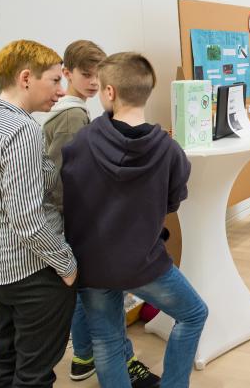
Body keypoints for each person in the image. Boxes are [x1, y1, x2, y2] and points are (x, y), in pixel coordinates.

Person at [61, 52, 208, 388]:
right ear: (147, 92)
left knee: (108, 341)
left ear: (109, 92)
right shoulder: (170, 151)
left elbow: (67, 197)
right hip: (144, 263)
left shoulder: (81, 143)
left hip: (92, 264)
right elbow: (173, 201)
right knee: (194, 313)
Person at [40, 40, 159, 386]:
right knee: (101, 293)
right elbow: (71, 176)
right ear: (66, 73)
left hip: (77, 220)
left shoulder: (75, 111)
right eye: (85, 74)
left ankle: (82, 356)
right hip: (80, 221)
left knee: (88, 290)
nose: (93, 82)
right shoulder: (72, 115)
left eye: (97, 75)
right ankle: (113, 359)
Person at [0, 40, 77, 387]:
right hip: (33, 271)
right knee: (34, 372)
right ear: (25, 79)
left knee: (7, 358)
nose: (61, 91)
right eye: (54, 81)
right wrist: (66, 263)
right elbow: (27, 219)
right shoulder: (22, 130)